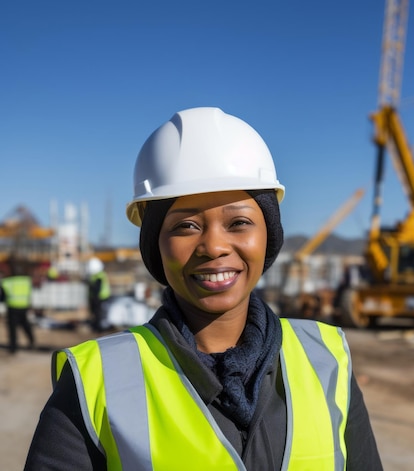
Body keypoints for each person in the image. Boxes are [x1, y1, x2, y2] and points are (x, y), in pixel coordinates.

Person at [25, 107, 383, 470]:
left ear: (268, 235)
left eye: (239, 222)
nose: (214, 246)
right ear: (155, 246)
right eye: (186, 226)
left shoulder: (326, 360)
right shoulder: (97, 379)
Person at [0, 264, 35, 354]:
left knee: (12, 328)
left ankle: (13, 348)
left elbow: (2, 297)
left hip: (12, 307)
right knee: (25, 325)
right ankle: (32, 341)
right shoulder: (26, 280)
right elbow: (30, 292)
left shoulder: (7, 281)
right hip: (24, 306)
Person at [86, 256, 111, 332]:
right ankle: (97, 326)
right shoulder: (96, 275)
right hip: (97, 297)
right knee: (96, 313)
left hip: (101, 298)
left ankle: (100, 327)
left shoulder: (99, 276)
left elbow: (97, 288)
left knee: (99, 313)